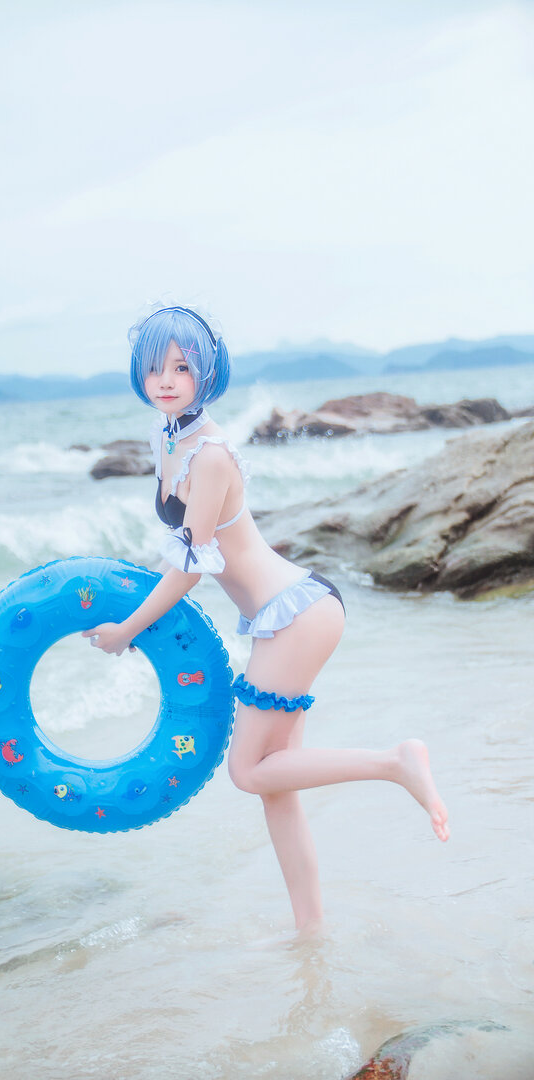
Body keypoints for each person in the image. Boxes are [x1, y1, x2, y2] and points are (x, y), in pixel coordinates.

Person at [82, 304, 449, 933]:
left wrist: (128, 629)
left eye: (181, 367)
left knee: (248, 772)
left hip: (296, 615)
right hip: (284, 616)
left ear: (207, 372)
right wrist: (130, 602)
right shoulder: (167, 437)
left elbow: (192, 567)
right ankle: (311, 933)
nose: (165, 379)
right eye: (154, 366)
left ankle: (396, 762)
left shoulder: (210, 456)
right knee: (279, 793)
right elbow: (179, 552)